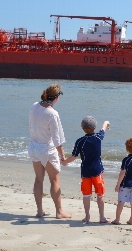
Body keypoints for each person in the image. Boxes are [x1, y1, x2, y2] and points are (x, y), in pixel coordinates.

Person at [27, 83, 71, 219]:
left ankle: (40, 211)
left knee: (39, 179)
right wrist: (63, 155)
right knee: (54, 180)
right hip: (46, 149)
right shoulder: (53, 114)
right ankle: (59, 211)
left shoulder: (34, 106)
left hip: (33, 146)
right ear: (57, 97)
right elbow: (57, 139)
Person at [62, 116, 110, 223]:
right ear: (94, 127)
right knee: (100, 194)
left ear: (83, 128)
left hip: (85, 172)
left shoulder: (80, 141)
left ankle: (87, 216)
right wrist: (106, 123)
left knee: (86, 195)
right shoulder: (98, 137)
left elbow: (73, 156)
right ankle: (102, 217)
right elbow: (103, 129)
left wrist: (64, 162)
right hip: (98, 171)